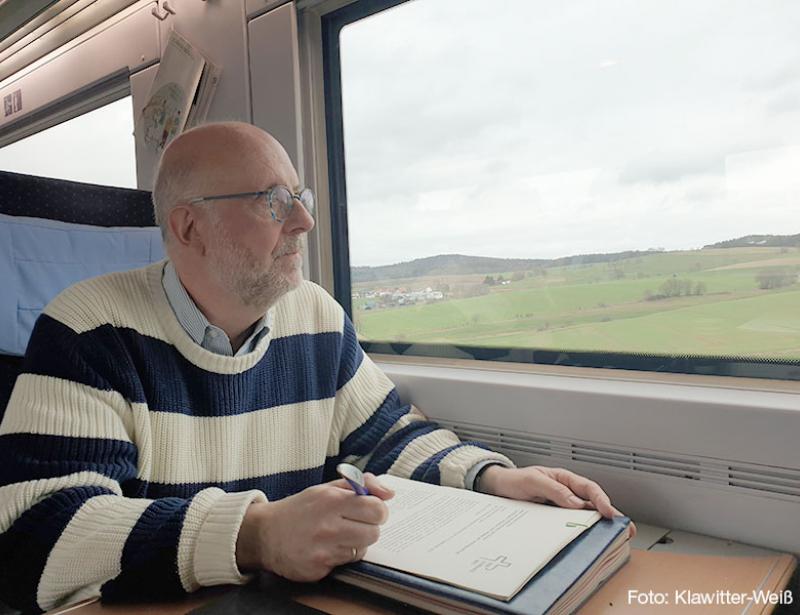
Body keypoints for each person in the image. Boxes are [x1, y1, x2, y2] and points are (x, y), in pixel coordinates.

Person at [0, 122, 632, 613]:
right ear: (190, 227)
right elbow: (39, 535)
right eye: (273, 202)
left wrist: (490, 477)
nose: (304, 221)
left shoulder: (314, 315)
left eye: (299, 197)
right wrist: (256, 534)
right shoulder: (90, 329)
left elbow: (386, 435)